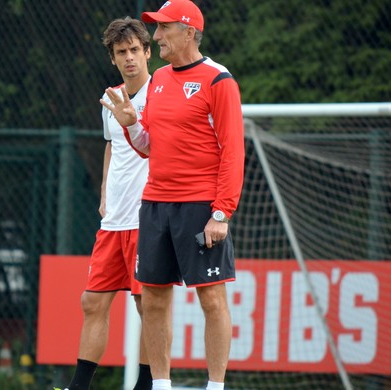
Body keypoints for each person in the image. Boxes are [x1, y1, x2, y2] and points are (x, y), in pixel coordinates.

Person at [101, 1, 245, 390]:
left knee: (211, 300)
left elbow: (233, 151)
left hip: (200, 207)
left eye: (163, 29)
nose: (157, 37)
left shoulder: (219, 80)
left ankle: (215, 386)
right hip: (154, 205)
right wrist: (131, 126)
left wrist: (221, 213)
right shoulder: (160, 79)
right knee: (153, 299)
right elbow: (149, 146)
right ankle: (160, 385)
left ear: (189, 32)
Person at [56, 17, 152, 390]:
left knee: (149, 308)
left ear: (147, 52)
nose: (129, 58)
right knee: (92, 302)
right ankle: (79, 387)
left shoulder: (162, 94)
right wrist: (104, 196)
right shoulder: (110, 98)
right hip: (114, 221)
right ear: (112, 59)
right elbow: (112, 146)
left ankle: (147, 385)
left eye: (134, 50)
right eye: (120, 52)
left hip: (149, 217)